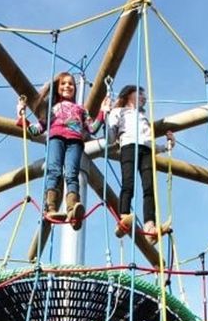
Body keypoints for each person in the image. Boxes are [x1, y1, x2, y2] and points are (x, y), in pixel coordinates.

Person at [16, 72, 110, 229]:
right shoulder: (52, 109)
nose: (67, 86)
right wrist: (21, 115)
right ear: (58, 88)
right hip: (56, 139)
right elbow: (36, 130)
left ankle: (73, 207)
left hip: (75, 141)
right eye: (63, 84)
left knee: (72, 174)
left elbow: (92, 128)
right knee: (54, 171)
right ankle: (51, 206)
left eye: (71, 84)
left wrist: (103, 111)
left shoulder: (81, 110)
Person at [107, 84, 175, 244]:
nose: (144, 98)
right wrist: (106, 113)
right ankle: (123, 217)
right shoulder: (119, 112)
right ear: (130, 95)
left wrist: (167, 146)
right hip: (128, 146)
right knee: (128, 182)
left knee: (149, 187)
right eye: (141, 94)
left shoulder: (143, 117)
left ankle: (149, 226)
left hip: (146, 149)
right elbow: (110, 137)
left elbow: (150, 142)